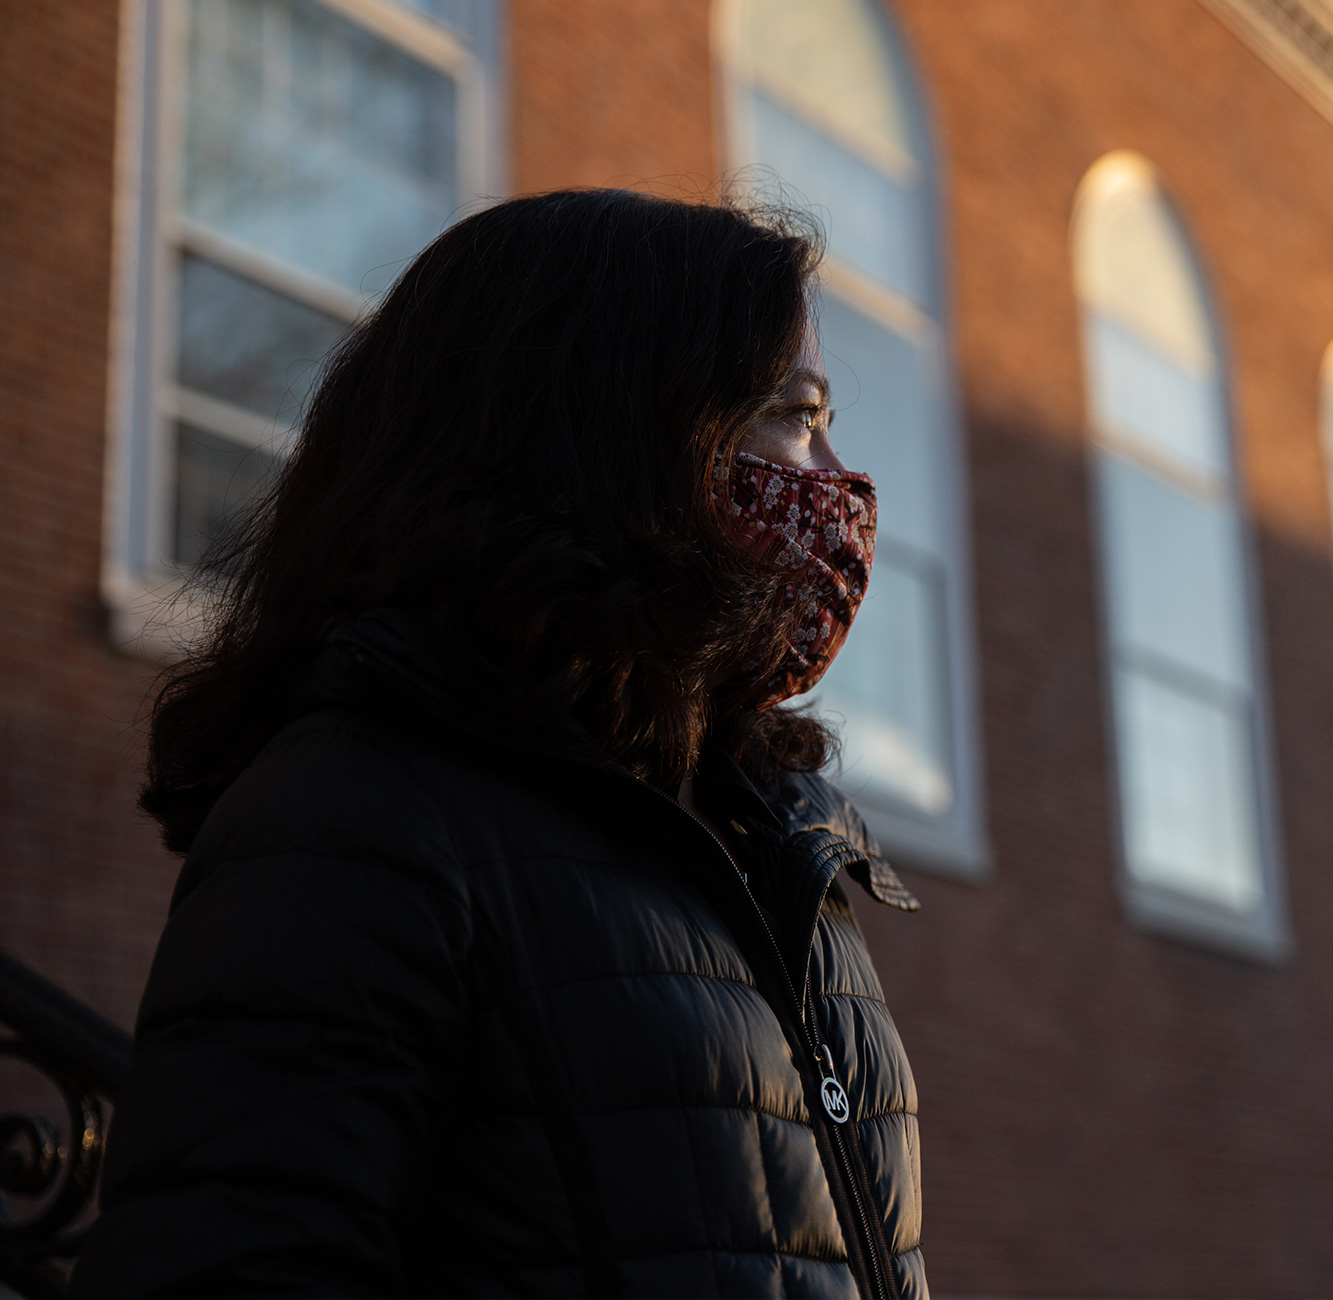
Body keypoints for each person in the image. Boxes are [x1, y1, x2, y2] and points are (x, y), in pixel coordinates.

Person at [73, 189, 925, 1299]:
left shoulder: (785, 841)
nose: (836, 484)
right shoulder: (357, 825)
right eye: (796, 414)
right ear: (611, 429)